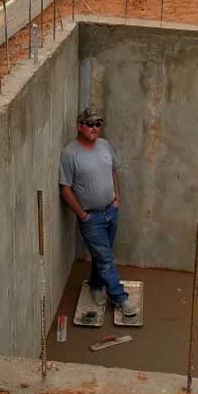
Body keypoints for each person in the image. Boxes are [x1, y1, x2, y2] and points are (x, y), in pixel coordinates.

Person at [59, 107, 137, 317]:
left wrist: (117, 199)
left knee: (103, 256)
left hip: (111, 211)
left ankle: (95, 285)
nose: (95, 128)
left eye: (97, 124)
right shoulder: (69, 153)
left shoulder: (104, 145)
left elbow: (112, 171)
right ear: (79, 126)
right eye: (90, 124)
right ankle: (120, 298)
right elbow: (65, 189)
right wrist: (82, 215)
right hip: (90, 217)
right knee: (105, 258)